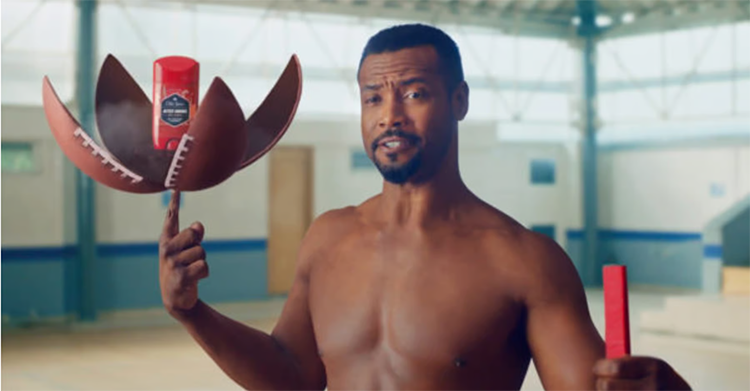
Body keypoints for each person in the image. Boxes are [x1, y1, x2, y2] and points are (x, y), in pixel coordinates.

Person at [158, 24, 691, 390]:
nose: (389, 115)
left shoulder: (524, 261)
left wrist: (663, 387)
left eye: (413, 93)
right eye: (373, 98)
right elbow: (292, 375)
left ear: (459, 100)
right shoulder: (328, 238)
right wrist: (192, 313)